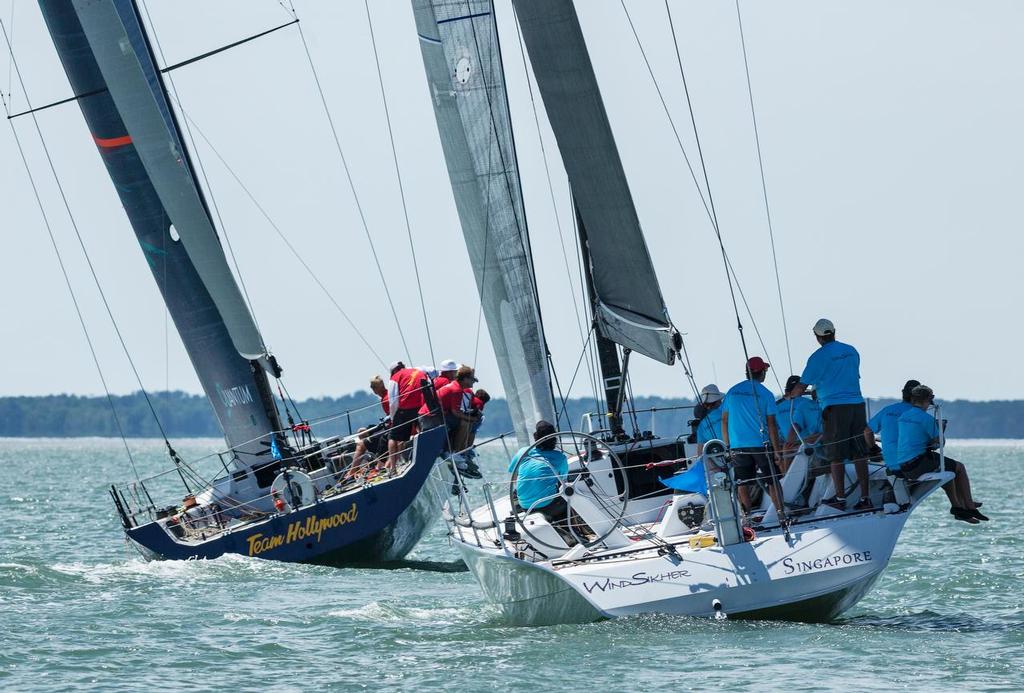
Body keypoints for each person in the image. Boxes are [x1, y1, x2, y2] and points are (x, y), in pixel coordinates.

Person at [789, 318, 871, 511]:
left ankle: (840, 498)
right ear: (834, 332)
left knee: (836, 455)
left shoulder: (817, 357)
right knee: (860, 453)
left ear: (817, 337)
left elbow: (800, 388)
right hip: (857, 405)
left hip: (835, 409)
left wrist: (790, 395)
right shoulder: (852, 351)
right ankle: (865, 498)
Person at [895, 385, 987, 523]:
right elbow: (939, 444)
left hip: (904, 466)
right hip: (917, 464)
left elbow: (912, 438)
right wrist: (940, 429)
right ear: (927, 400)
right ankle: (969, 506)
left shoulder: (903, 416)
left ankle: (958, 508)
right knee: (959, 467)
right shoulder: (926, 419)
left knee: (947, 468)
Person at [508, 420, 589, 542]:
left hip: (524, 505)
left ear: (536, 438)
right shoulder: (560, 457)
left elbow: (514, 478)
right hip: (548, 506)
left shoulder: (523, 452)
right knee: (567, 497)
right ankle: (574, 535)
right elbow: (563, 483)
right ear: (554, 438)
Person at [721, 357, 783, 514]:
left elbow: (724, 421)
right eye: (765, 371)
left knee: (743, 483)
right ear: (762, 373)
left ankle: (747, 517)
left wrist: (727, 446)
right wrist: (777, 451)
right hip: (761, 445)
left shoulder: (732, 392)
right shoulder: (766, 394)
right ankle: (781, 514)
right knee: (773, 480)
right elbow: (771, 425)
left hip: (737, 446)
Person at [863, 379, 919, 472]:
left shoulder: (887, 410)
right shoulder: (918, 413)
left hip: (890, 463)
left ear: (903, 393)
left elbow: (867, 430)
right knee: (950, 465)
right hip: (911, 465)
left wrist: (873, 448)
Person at [345, 375, 391, 480]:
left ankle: (352, 473)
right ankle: (365, 465)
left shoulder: (386, 399)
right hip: (388, 426)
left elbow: (392, 419)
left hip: (390, 429)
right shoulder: (386, 396)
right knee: (361, 432)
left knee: (361, 444)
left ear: (377, 388)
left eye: (373, 387)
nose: (373, 390)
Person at [386, 361, 427, 475]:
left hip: (406, 408)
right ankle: (424, 457)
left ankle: (393, 468)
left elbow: (393, 400)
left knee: (393, 436)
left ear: (394, 371)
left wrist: (394, 419)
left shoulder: (395, 377)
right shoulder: (419, 371)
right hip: (421, 408)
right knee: (420, 431)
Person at [695, 384, 725, 456]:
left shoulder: (701, 426)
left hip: (714, 461)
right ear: (718, 401)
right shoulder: (728, 414)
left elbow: (700, 454)